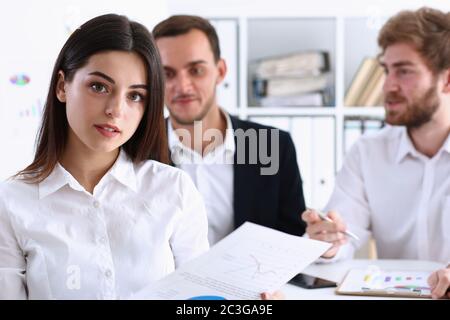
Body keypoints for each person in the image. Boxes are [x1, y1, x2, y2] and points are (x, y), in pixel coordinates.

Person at [0, 13, 209, 299]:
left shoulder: (175, 190)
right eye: (99, 87)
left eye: (135, 96)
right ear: (62, 86)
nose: (115, 109)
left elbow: (202, 300)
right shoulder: (12, 201)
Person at [301, 7, 450, 299]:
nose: (387, 86)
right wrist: (329, 242)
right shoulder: (367, 152)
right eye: (386, 70)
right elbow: (342, 232)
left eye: (404, 71)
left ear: (446, 80)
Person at [152, 15, 306, 246]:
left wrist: (323, 239)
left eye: (196, 70)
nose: (182, 87)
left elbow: (294, 237)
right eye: (167, 74)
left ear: (220, 71)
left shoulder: (272, 146)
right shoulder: (137, 150)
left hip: (254, 281)